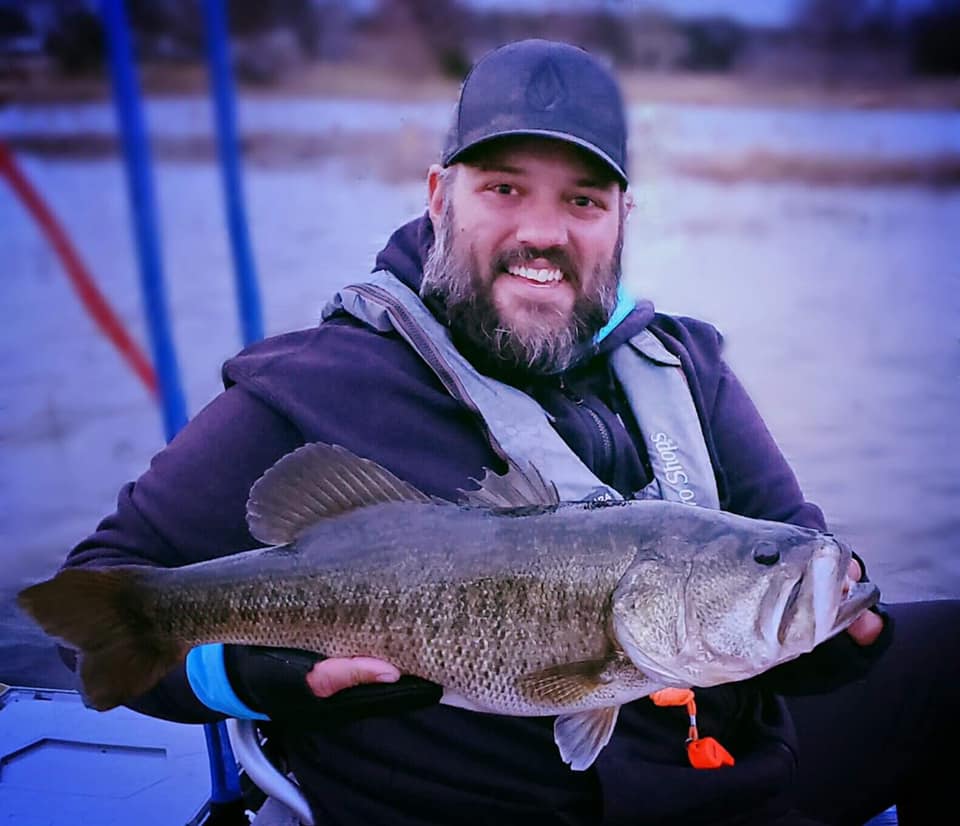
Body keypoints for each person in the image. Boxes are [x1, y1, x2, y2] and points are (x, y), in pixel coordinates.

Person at [61, 39, 957, 826]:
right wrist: (263, 680)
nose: (544, 231)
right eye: (503, 188)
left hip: (732, 780)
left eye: (583, 201)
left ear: (621, 221)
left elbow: (795, 562)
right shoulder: (305, 387)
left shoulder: (687, 366)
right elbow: (92, 608)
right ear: (438, 196)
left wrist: (830, 635)